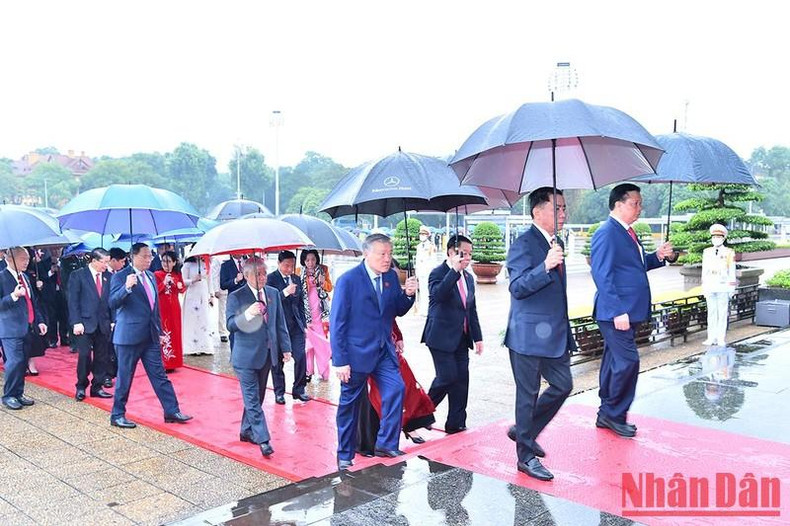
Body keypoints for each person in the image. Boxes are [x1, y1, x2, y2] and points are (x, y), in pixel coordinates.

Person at [590, 183, 674, 437]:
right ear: (618, 204)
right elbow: (601, 274)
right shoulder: (607, 231)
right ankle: (615, 414)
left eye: (640, 203)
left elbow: (633, 267)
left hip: (627, 309)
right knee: (628, 362)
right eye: (634, 203)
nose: (639, 208)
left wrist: (657, 256)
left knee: (615, 361)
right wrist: (617, 310)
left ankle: (607, 412)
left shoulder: (628, 232)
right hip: (616, 312)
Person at [504, 188, 575, 482]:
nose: (563, 213)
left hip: (554, 333)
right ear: (537, 212)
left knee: (563, 385)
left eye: (564, 207)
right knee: (527, 395)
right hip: (527, 335)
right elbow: (517, 287)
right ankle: (525, 456)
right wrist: (545, 265)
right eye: (556, 208)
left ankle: (524, 430)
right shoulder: (524, 244)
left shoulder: (555, 242)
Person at [331, 233, 418, 471]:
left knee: (396, 388)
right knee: (350, 404)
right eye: (382, 254)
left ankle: (386, 443)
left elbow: (396, 310)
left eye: (390, 253)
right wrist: (340, 360)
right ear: (366, 253)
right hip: (355, 353)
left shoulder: (390, 277)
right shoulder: (348, 280)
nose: (387, 258)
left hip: (383, 351)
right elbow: (337, 322)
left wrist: (408, 295)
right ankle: (345, 453)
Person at [108, 243, 192, 429]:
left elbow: (154, 308)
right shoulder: (122, 277)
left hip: (150, 336)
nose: (149, 259)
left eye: (150, 256)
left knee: (159, 374)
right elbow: (112, 302)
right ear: (133, 256)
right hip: (128, 337)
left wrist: (160, 331)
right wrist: (127, 288)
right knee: (125, 377)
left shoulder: (151, 276)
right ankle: (117, 414)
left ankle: (171, 410)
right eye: (145, 256)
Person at [226, 257, 292, 457]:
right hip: (244, 358)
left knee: (259, 396)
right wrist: (247, 313)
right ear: (246, 276)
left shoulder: (272, 293)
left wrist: (286, 348)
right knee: (252, 399)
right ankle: (263, 439)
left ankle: (246, 430)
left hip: (267, 354)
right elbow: (230, 325)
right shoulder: (236, 296)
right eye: (258, 274)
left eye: (264, 273)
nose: (263, 277)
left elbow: (279, 323)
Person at [421, 234, 483, 435]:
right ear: (451, 252)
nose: (468, 258)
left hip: (462, 338)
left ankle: (456, 423)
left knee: (461, 381)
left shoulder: (469, 278)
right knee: (447, 377)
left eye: (470, 255)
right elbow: (438, 295)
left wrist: (478, 337)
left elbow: (470, 309)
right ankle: (421, 414)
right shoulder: (438, 273)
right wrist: (454, 271)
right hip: (440, 336)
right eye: (464, 254)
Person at [0, 247, 47, 410]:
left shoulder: (25, 277)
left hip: (28, 327)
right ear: (10, 258)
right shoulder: (2, 277)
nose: (26, 262)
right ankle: (9, 395)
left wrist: (39, 321)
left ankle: (18, 393)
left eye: (27, 258)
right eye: (22, 258)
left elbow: (33, 302)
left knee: (22, 362)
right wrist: (13, 296)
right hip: (10, 328)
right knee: (14, 362)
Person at [67, 248, 114, 401]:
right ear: (94, 261)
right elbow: (72, 301)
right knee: (84, 355)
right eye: (104, 262)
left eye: (108, 262)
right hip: (84, 323)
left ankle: (97, 386)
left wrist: (113, 320)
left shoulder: (109, 276)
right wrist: (76, 322)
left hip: (103, 323)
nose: (106, 265)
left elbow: (111, 301)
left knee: (102, 356)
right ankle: (81, 386)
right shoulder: (78, 275)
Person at [267, 251, 310, 403]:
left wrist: (304, 324)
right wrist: (285, 292)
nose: (289, 269)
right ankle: (279, 391)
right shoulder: (270, 279)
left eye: (292, 265)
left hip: (295, 325)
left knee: (301, 357)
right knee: (277, 361)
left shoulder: (296, 278)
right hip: (279, 325)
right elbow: (269, 301)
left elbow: (300, 304)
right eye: (286, 265)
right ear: (279, 263)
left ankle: (299, 389)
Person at [296, 249, 332, 382]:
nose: (310, 263)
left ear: (317, 259)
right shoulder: (299, 271)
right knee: (308, 342)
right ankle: (308, 371)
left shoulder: (324, 269)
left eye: (313, 259)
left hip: (320, 310)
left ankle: (324, 371)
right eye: (307, 260)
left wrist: (322, 282)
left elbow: (329, 288)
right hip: (306, 310)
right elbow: (297, 290)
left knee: (321, 341)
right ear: (303, 261)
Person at [702, 224, 737, 346]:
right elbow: (704, 270)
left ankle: (721, 337)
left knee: (722, 312)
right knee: (711, 312)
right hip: (710, 283)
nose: (716, 239)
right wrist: (704, 287)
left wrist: (731, 287)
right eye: (714, 236)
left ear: (723, 238)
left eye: (718, 236)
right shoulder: (707, 251)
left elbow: (732, 270)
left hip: (723, 284)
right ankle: (711, 337)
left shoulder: (729, 252)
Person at [154, 251, 184, 371]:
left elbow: (181, 289)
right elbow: (154, 291)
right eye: (163, 261)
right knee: (164, 332)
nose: (165, 264)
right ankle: (164, 362)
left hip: (175, 308)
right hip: (162, 307)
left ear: (174, 262)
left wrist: (175, 283)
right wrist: (164, 283)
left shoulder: (176, 274)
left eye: (168, 261)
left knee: (175, 332)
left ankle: (174, 362)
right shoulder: (157, 274)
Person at [181, 255, 216, 356]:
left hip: (204, 294)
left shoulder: (206, 264)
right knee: (192, 320)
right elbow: (182, 281)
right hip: (192, 294)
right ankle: (191, 347)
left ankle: (205, 346)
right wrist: (193, 280)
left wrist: (211, 294)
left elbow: (210, 281)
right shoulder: (187, 265)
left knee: (204, 320)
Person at [220, 255, 247, 347]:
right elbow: (223, 284)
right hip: (235, 300)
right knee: (235, 326)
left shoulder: (249, 262)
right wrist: (235, 280)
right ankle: (235, 353)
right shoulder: (226, 265)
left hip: (249, 299)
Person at [415, 224, 437, 316]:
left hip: (428, 272)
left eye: (423, 234)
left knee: (428, 292)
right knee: (422, 291)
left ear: (427, 235)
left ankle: (429, 310)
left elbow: (433, 261)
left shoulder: (431, 247)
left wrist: (432, 273)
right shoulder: (419, 246)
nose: (422, 236)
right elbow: (417, 260)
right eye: (420, 234)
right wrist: (416, 272)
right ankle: (422, 310)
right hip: (421, 272)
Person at [211, 255, 230, 343]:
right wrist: (216, 289)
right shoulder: (218, 258)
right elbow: (215, 275)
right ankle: (223, 332)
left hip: (234, 287)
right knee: (223, 311)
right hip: (223, 289)